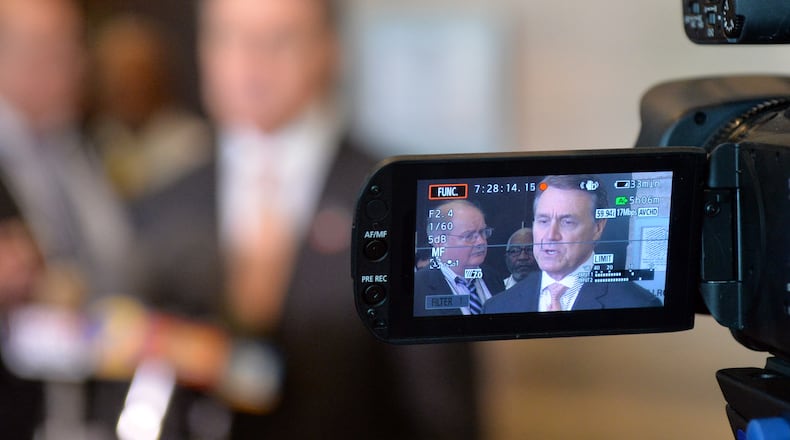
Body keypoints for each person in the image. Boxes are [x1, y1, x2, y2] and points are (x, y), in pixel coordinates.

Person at [134, 0, 480, 438]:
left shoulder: (405, 203)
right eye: (230, 36)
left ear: (329, 50)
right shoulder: (158, 205)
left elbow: (443, 411)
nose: (251, 59)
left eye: (280, 38)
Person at [485, 175, 662, 313]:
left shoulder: (638, 304)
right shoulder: (498, 307)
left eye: (567, 222)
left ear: (598, 227)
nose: (551, 236)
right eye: (543, 221)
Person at [90, 14, 212, 201]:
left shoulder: (193, 146)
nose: (127, 87)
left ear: (158, 77)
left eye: (136, 74)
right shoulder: (94, 144)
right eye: (114, 78)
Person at [414, 200, 504, 316]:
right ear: (440, 241)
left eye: (483, 232)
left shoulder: (493, 277)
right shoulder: (418, 287)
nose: (481, 242)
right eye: (469, 236)